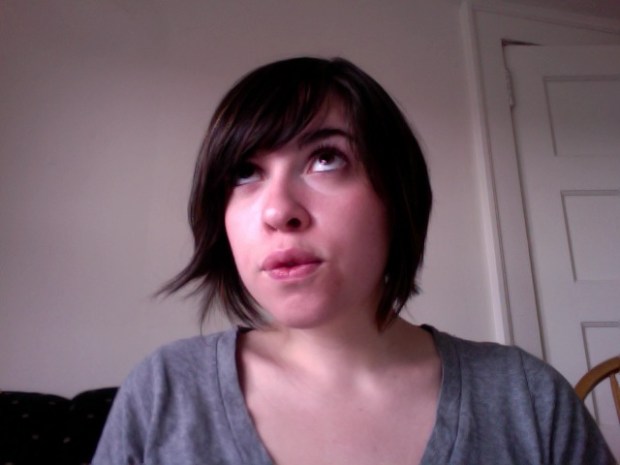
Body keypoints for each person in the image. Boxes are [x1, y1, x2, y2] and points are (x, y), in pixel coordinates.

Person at [92, 57, 615, 465]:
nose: (277, 210)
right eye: (244, 173)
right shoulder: (163, 391)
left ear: (397, 194)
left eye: (326, 159)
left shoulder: (527, 400)